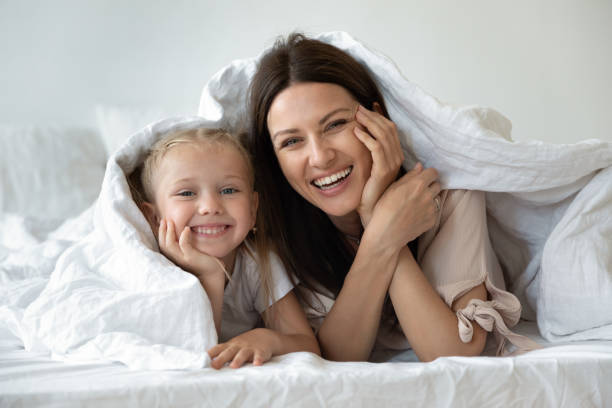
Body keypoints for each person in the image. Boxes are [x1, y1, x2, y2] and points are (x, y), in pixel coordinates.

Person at [248, 33, 537, 362]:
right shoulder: (269, 233)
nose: (320, 157)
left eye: (335, 124)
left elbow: (454, 353)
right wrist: (382, 235)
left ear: (379, 121)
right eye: (291, 142)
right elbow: (334, 361)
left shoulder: (447, 190)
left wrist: (379, 216)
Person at [129, 127, 320, 369]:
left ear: (252, 209)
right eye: (187, 193)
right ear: (154, 218)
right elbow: (191, 354)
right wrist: (210, 274)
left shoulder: (257, 261)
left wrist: (267, 338)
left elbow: (307, 344)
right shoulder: (153, 267)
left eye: (229, 190)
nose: (210, 206)